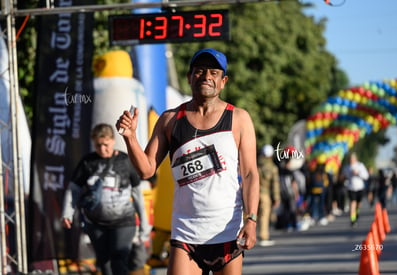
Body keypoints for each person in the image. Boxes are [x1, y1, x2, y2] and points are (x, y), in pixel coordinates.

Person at [116, 48, 259, 275]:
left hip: (227, 231)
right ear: (189, 77)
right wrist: (130, 137)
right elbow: (145, 170)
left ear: (224, 81)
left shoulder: (239, 118)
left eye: (213, 72)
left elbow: (250, 173)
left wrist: (250, 219)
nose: (206, 77)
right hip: (186, 234)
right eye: (200, 71)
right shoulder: (169, 120)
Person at [61, 123, 151, 275]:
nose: (102, 149)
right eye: (97, 145)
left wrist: (144, 224)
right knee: (104, 264)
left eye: (105, 145)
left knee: (119, 258)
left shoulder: (125, 161)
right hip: (95, 223)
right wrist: (67, 213)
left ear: (113, 140)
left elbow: (137, 195)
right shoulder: (87, 162)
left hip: (123, 222)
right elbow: (73, 189)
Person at [257, 144, 280, 246]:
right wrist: (276, 198)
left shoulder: (256, 165)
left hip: (253, 194)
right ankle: (263, 236)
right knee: (264, 215)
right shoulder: (273, 168)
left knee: (252, 215)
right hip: (265, 194)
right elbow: (275, 185)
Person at [343, 152, 369, 227]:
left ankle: (357, 214)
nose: (351, 160)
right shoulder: (346, 167)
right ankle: (353, 220)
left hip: (360, 188)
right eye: (350, 158)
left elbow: (366, 176)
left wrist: (358, 173)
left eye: (352, 158)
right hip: (351, 188)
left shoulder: (360, 165)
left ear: (355, 158)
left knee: (358, 204)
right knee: (352, 204)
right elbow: (344, 176)